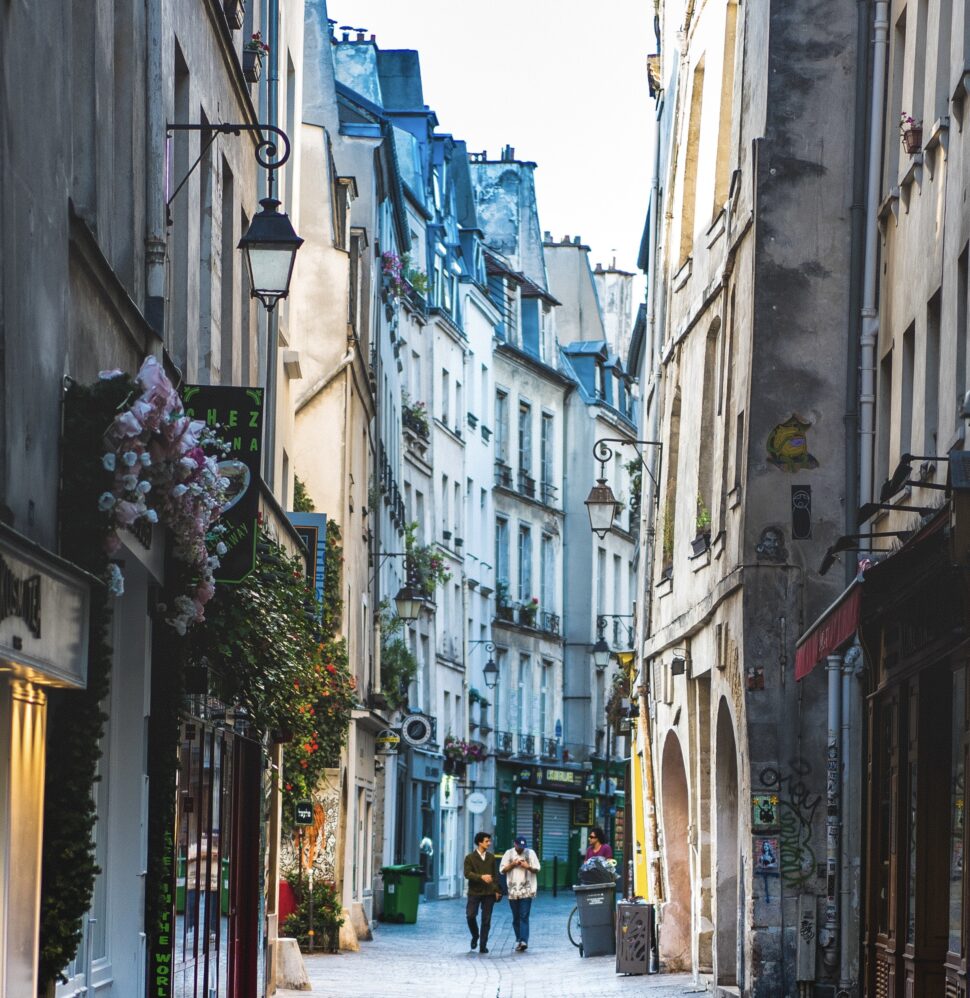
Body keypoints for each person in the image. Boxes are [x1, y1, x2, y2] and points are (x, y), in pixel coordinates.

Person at [500, 835, 540, 952]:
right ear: (515, 844)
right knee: (516, 917)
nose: (521, 849)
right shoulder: (508, 853)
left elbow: (537, 869)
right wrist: (513, 864)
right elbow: (502, 870)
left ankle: (524, 941)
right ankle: (519, 939)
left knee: (524, 916)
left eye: (523, 847)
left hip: (527, 890)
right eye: (519, 847)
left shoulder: (530, 853)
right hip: (513, 891)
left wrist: (528, 867)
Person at [463, 831, 501, 954]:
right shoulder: (469, 858)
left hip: (489, 893)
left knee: (486, 920)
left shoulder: (491, 857)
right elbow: (467, 873)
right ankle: (475, 935)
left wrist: (496, 890)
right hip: (474, 892)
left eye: (489, 841)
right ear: (480, 842)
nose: (489, 843)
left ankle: (483, 945)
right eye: (486, 841)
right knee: (470, 915)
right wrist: (481, 877)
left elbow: (495, 876)